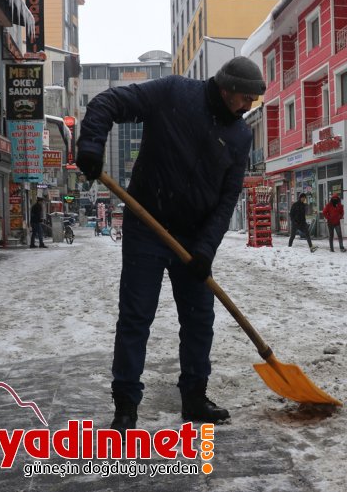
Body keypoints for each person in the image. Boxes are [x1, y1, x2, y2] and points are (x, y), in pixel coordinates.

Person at [75, 56, 266, 432]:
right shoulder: (174, 92)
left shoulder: (240, 136)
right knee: (136, 317)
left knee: (199, 321)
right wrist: (92, 144)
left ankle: (195, 397)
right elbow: (107, 103)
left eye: (253, 102)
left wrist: (206, 250)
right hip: (147, 223)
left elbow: (228, 199)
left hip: (194, 236)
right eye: (246, 99)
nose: (248, 107)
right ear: (227, 89)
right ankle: (126, 405)